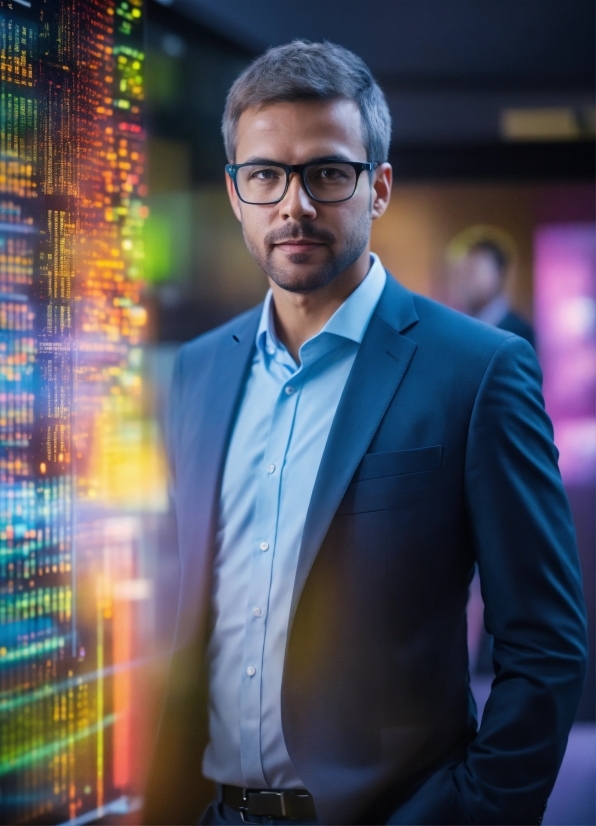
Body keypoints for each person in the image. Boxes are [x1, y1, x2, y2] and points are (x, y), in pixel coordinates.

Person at [143, 41, 587, 826]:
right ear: (236, 192)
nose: (295, 205)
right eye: (266, 175)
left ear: (378, 186)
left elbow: (546, 644)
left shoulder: (477, 371)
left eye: (328, 172)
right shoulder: (199, 373)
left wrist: (474, 815)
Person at [453, 235, 535, 347]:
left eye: (473, 272)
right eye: (464, 272)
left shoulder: (517, 334)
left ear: (499, 274)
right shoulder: (459, 328)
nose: (465, 281)